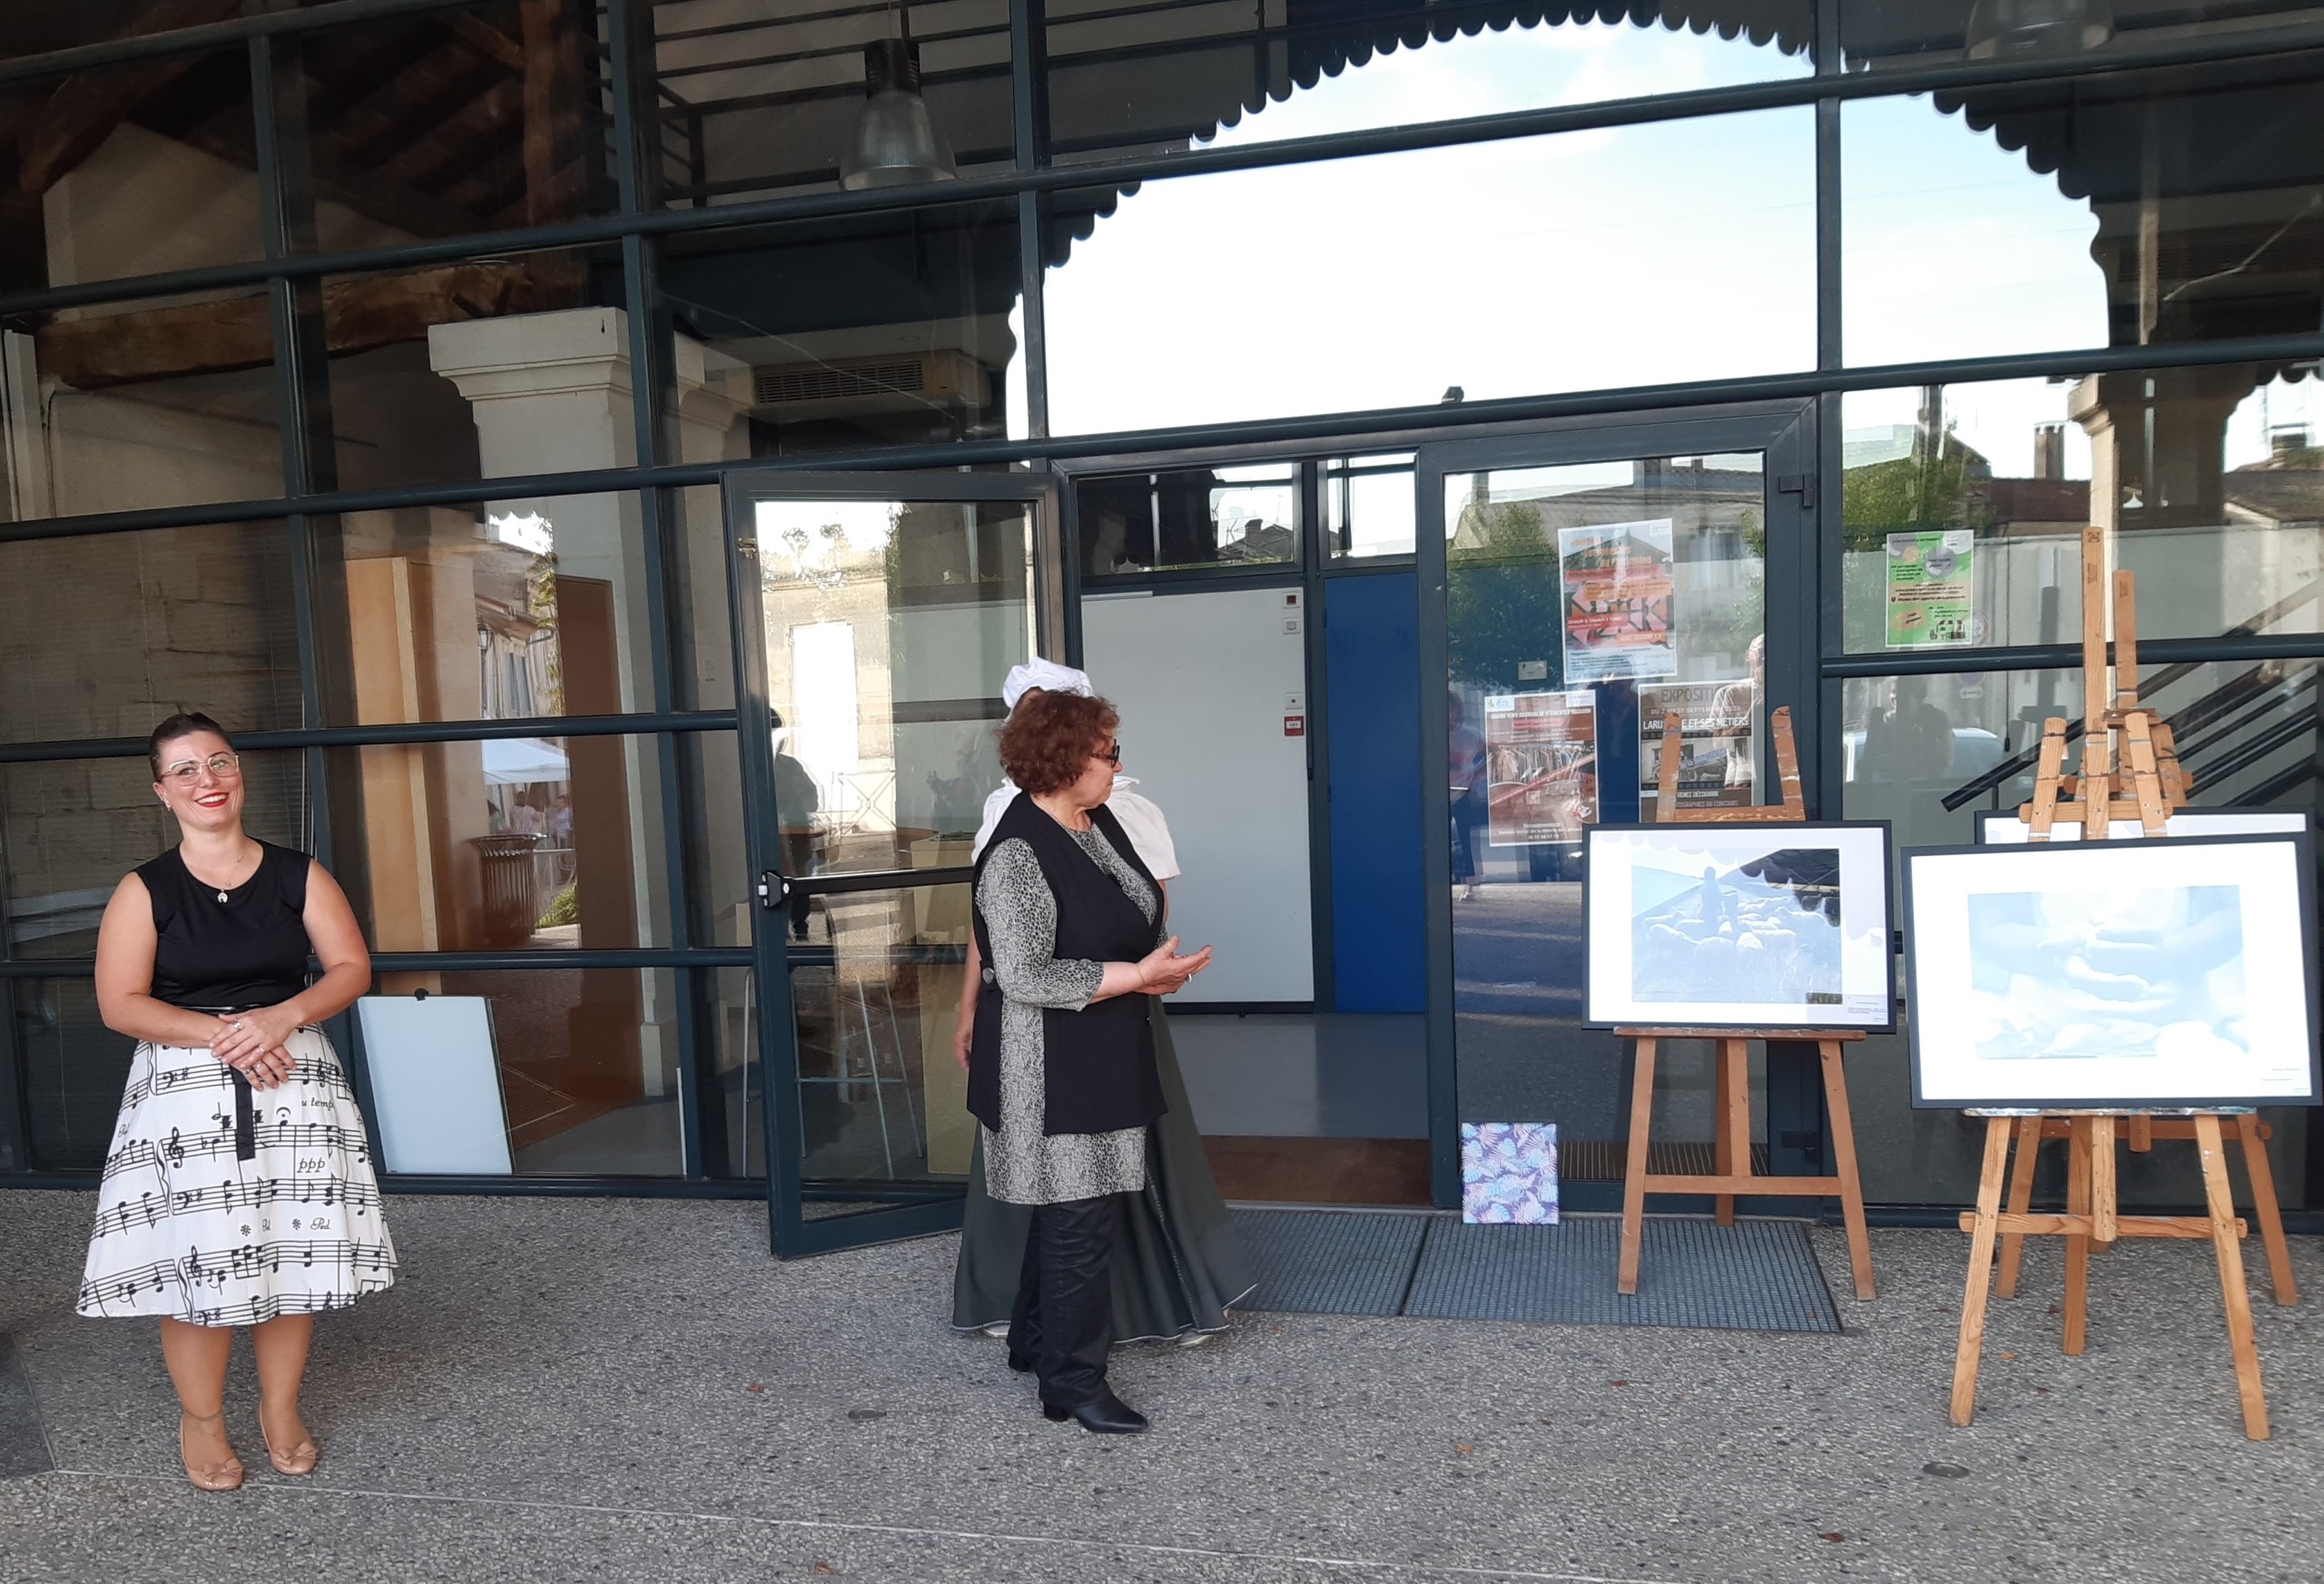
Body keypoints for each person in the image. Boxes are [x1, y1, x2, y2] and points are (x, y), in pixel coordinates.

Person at [79, 713, 396, 1491]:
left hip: (294, 1082)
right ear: (162, 791)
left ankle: (279, 1408)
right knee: (196, 1260)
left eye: (219, 762)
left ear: (239, 771)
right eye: (185, 770)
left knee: (292, 1253)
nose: (207, 780)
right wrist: (230, 1034)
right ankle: (203, 1419)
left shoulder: (299, 874)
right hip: (184, 1096)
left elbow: (351, 967)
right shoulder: (144, 889)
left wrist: (280, 1017)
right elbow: (120, 1003)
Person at [950, 661, 1254, 1353]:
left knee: (1075, 1214)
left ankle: (1035, 1342)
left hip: (1102, 1041)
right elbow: (1022, 971)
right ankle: (1073, 1381)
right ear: (1066, 761)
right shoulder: (1017, 847)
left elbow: (1138, 912)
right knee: (1076, 1222)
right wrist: (1134, 974)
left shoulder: (1100, 822)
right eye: (1106, 750)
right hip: (1047, 1062)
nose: (1117, 762)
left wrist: (1151, 972)